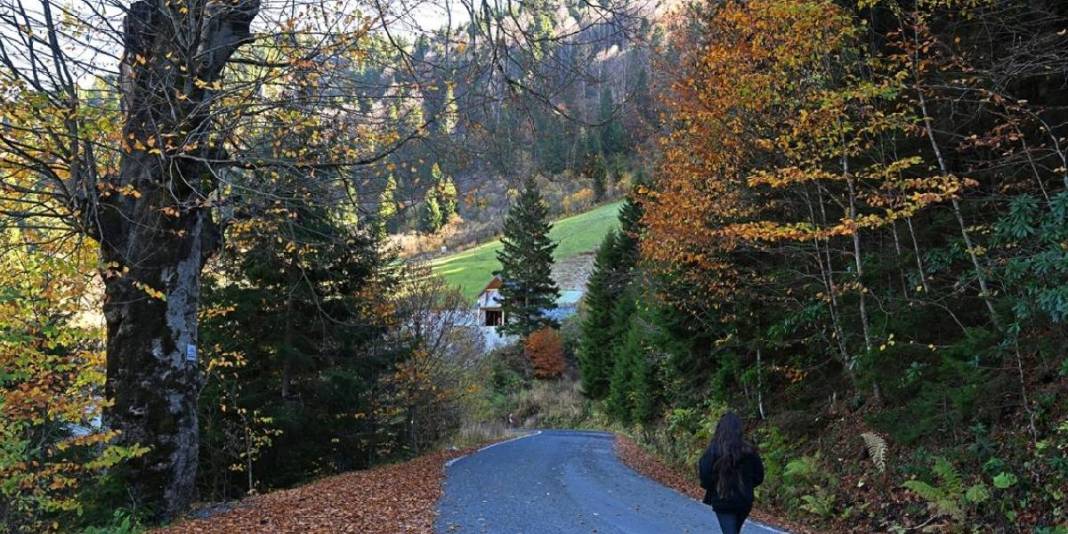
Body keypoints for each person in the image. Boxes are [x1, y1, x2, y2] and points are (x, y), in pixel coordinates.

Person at [698, 412, 764, 534]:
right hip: (744, 500)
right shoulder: (749, 451)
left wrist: (714, 487)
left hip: (723, 498)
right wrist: (747, 485)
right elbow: (759, 476)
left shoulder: (713, 450)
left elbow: (704, 475)